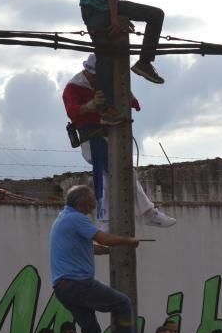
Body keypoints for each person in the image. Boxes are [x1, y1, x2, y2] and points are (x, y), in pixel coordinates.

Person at [48, 185, 157, 333]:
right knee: (123, 303)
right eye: (91, 199)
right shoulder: (77, 218)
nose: (94, 203)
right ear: (81, 202)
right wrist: (127, 240)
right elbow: (103, 238)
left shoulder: (64, 218)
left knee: (90, 331)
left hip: (63, 288)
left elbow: (92, 247)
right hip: (77, 283)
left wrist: (110, 251)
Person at [61, 57, 176, 227]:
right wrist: (90, 105)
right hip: (92, 138)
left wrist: (130, 101)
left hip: (111, 136)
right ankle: (144, 213)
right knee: (117, 173)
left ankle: (109, 220)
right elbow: (72, 112)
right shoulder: (74, 87)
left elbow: (127, 97)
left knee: (116, 175)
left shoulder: (107, 81)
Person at [79, 0, 166, 116]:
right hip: (96, 10)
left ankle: (108, 107)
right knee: (106, 55)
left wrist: (120, 18)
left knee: (106, 56)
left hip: (100, 10)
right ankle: (143, 64)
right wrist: (114, 19)